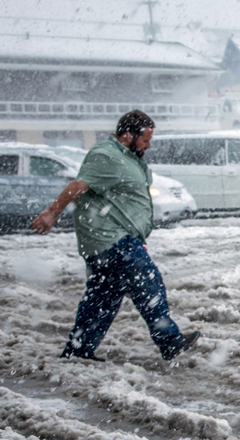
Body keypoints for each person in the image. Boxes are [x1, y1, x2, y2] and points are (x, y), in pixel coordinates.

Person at [31, 110, 200, 362]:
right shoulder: (107, 155)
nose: (149, 145)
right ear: (128, 135)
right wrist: (51, 213)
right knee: (148, 281)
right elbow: (77, 186)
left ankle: (78, 352)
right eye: (145, 140)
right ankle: (170, 341)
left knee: (103, 296)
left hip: (109, 240)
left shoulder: (127, 158)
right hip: (111, 238)